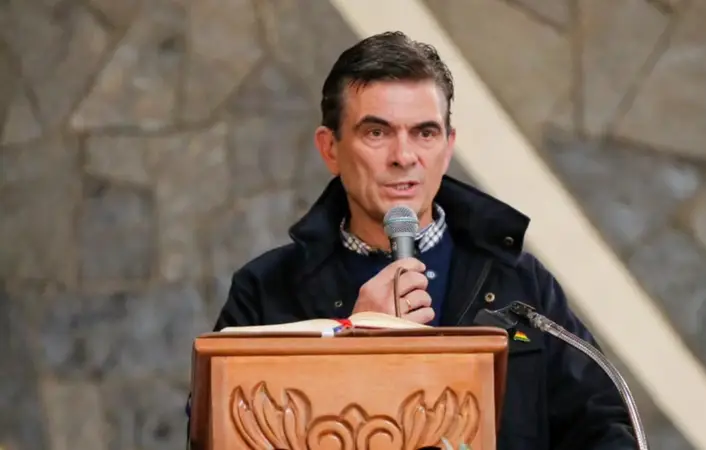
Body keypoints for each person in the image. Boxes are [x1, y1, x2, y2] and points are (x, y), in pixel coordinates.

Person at [210, 31, 636, 449]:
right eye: (377, 132)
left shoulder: (521, 284)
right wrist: (350, 345)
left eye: (424, 133)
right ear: (330, 149)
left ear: (448, 147)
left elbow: (606, 428)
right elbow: (222, 434)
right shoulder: (265, 290)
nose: (404, 156)